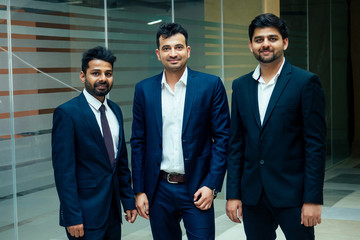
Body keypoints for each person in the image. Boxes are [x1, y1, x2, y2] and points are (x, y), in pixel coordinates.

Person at [226, 13, 326, 240]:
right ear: (251, 45)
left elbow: (315, 145)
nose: (266, 44)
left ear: (285, 42)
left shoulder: (305, 82)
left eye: (273, 38)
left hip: (293, 195)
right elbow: (236, 144)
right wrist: (233, 195)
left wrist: (312, 199)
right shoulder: (241, 86)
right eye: (259, 40)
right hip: (253, 196)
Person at [131, 22, 230, 240]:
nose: (173, 53)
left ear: (188, 51)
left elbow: (223, 139)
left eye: (178, 47)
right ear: (158, 54)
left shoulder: (210, 85)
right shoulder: (144, 89)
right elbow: (138, 142)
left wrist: (211, 185)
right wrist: (139, 190)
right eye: (166, 48)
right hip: (159, 190)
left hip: (197, 188)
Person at [52, 46, 137, 240]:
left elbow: (120, 164)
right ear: (83, 76)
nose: (103, 79)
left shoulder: (115, 110)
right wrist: (71, 216)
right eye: (95, 73)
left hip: (113, 213)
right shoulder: (67, 113)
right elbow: (64, 172)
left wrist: (128, 201)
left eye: (108, 73)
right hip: (84, 214)